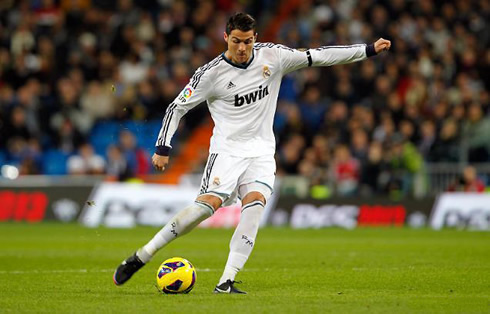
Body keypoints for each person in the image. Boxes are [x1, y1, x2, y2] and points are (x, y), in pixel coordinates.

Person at [113, 13, 391, 293]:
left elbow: (318, 56)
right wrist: (163, 147)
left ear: (255, 38)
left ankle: (226, 281)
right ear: (226, 38)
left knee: (255, 204)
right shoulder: (211, 74)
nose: (242, 48)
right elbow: (177, 107)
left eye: (247, 41)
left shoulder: (274, 56)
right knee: (205, 207)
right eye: (236, 41)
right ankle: (142, 256)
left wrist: (367, 50)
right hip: (227, 151)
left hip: (260, 151)